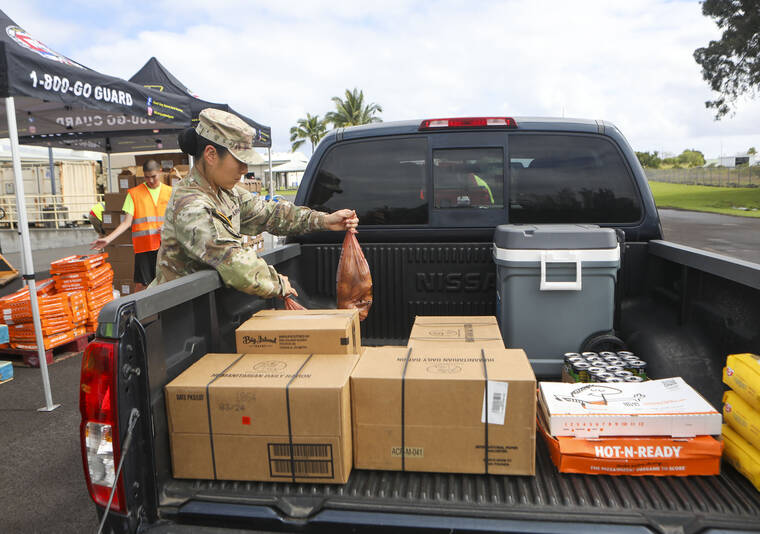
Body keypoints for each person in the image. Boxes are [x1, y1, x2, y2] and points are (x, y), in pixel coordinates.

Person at [152, 108, 358, 298]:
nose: (244, 169)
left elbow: (269, 213)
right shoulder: (191, 206)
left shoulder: (226, 192)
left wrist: (324, 220)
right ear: (211, 155)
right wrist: (276, 282)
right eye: (239, 161)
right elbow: (232, 262)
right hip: (177, 318)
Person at [91, 160, 172, 290]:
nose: (150, 180)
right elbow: (126, 223)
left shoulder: (171, 192)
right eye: (146, 177)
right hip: (144, 248)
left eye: (153, 176)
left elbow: (178, 218)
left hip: (167, 246)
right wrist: (108, 239)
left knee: (167, 282)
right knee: (142, 285)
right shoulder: (134, 194)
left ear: (160, 172)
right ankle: (139, 310)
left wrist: (168, 228)